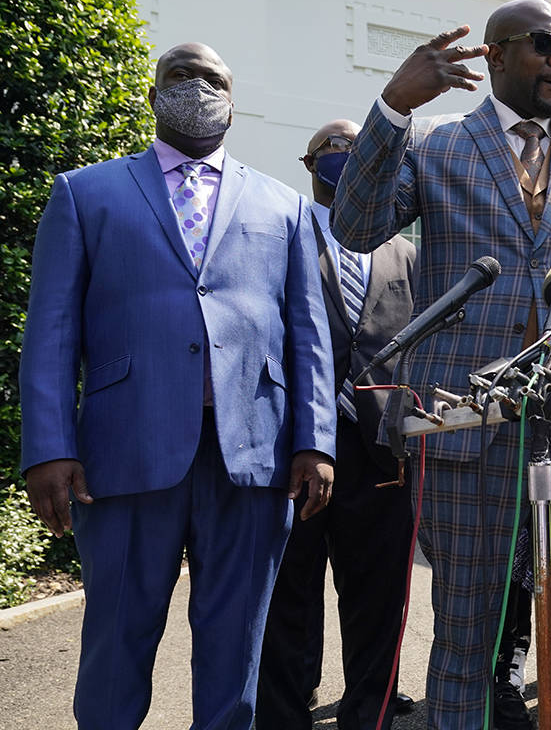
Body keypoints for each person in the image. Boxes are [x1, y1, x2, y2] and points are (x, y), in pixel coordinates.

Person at [331, 0, 551, 730]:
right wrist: (392, 107)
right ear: (494, 54)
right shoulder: (434, 143)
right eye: (544, 44)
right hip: (464, 426)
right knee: (466, 638)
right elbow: (355, 227)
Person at [19, 42, 336, 729]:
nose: (196, 87)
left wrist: (317, 443)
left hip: (252, 461)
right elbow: (49, 331)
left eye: (212, 77)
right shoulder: (86, 193)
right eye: (180, 75)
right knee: (116, 646)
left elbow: (307, 335)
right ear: (154, 93)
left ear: (234, 97)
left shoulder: (283, 205)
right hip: (123, 458)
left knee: (235, 657)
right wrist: (47, 447)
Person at [257, 120, 419, 729]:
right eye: (334, 147)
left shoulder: (409, 249)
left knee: (378, 595)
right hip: (296, 444)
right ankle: (283, 709)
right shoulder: (282, 235)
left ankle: (368, 709)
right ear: (308, 163)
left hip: (381, 447)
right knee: (290, 590)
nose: (348, 156)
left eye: (359, 147)